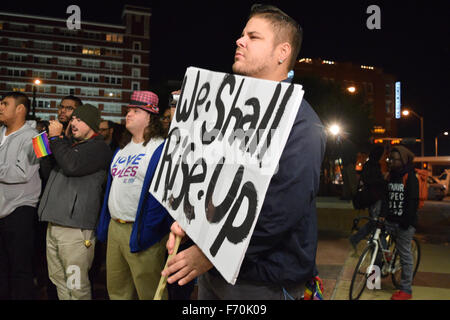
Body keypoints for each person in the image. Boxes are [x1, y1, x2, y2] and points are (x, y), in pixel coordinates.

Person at [162, 4, 326, 300]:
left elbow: (281, 212)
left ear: (282, 52)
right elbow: (211, 180)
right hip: (213, 274)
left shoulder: (302, 124)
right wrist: (188, 221)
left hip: (262, 281)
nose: (240, 41)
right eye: (241, 35)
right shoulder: (226, 110)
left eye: (253, 37)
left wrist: (210, 252)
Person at [96, 91, 173, 300]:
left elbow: (166, 196)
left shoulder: (161, 148)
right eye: (128, 110)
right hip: (116, 227)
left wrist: (152, 229)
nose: (128, 114)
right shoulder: (123, 148)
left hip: (141, 230)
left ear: (150, 117)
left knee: (149, 293)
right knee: (117, 291)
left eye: (135, 111)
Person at [38, 104, 112, 300]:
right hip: (54, 223)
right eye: (73, 119)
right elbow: (48, 174)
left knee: (76, 284)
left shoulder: (99, 148)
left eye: (80, 120)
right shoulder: (69, 147)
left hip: (75, 228)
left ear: (92, 125)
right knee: (58, 280)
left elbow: (71, 165)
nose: (73, 123)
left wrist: (55, 139)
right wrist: (45, 147)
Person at [0, 92, 41, 299]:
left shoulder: (37, 137)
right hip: (1, 209)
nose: (0, 107)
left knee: (20, 270)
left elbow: (23, 172)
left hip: (20, 211)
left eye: (5, 103)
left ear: (20, 109)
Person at [380, 145, 419, 300]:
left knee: (405, 255)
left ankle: (406, 290)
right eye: (390, 159)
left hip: (405, 223)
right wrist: (383, 215)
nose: (391, 162)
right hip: (390, 220)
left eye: (395, 159)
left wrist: (406, 222)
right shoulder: (390, 176)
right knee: (377, 241)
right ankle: (386, 261)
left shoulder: (410, 177)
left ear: (402, 160)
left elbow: (413, 202)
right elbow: (385, 198)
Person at [349, 145, 387, 250]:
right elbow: (369, 181)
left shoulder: (371, 165)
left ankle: (357, 239)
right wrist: (383, 181)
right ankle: (380, 247)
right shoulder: (372, 166)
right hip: (374, 198)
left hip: (373, 197)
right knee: (377, 223)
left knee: (374, 223)